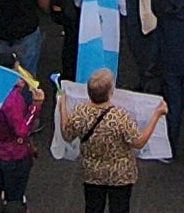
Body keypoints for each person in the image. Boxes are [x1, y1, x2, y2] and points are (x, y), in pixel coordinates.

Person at [60, 69, 153, 213]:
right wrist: (156, 115)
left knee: (93, 207)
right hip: (120, 175)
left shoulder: (80, 113)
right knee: (120, 208)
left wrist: (61, 106)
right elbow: (138, 142)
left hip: (92, 172)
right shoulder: (120, 117)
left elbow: (67, 135)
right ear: (110, 91)